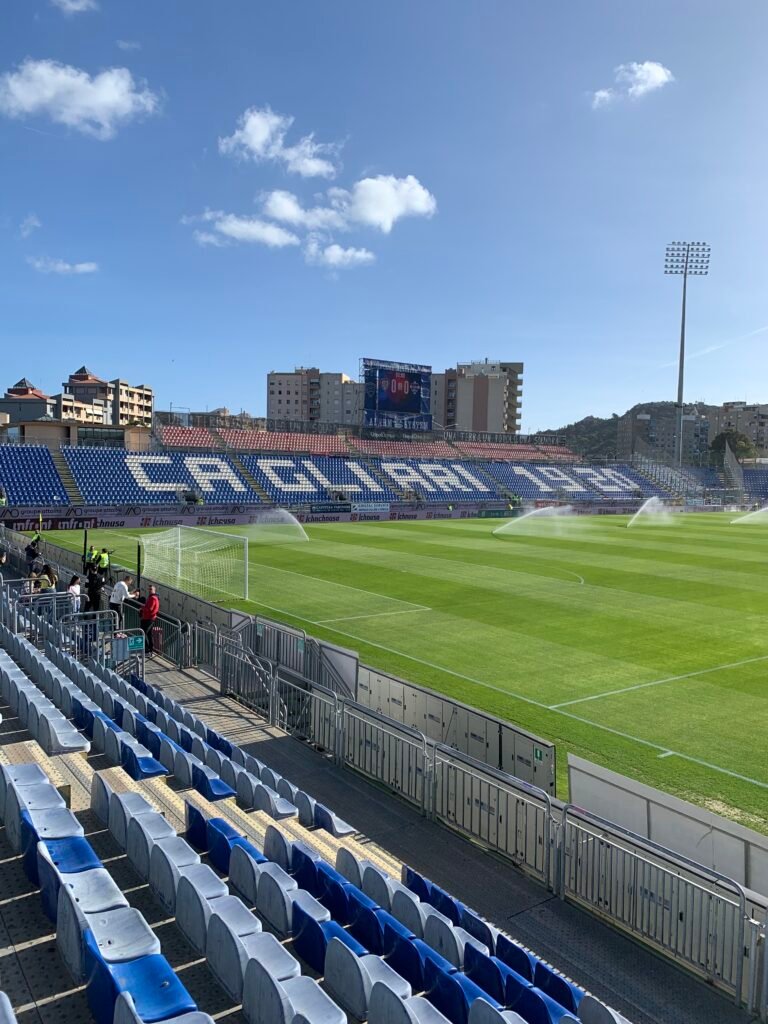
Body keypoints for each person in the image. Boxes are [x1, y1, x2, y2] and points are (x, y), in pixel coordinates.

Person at [140, 584, 160, 658]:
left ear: (154, 590)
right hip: (148, 618)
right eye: (149, 589)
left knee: (144, 633)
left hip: (149, 619)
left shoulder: (153, 598)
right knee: (149, 634)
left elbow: (150, 609)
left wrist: (142, 609)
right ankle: (150, 650)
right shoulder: (152, 597)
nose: (149, 590)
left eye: (151, 589)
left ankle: (148, 651)